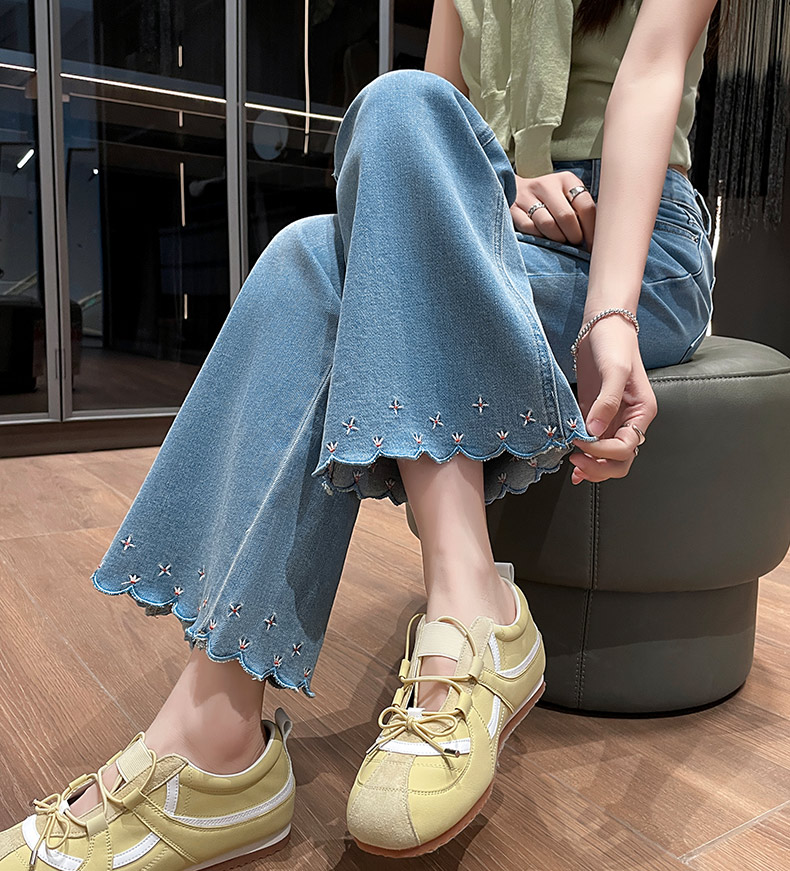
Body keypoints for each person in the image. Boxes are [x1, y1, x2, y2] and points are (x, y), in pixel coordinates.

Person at [1, 0, 721, 864]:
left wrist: (611, 311)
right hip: (492, 223)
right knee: (393, 112)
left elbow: (650, 76)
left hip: (634, 243)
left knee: (314, 257)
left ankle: (225, 745)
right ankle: (451, 624)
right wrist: (502, 191)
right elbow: (433, 137)